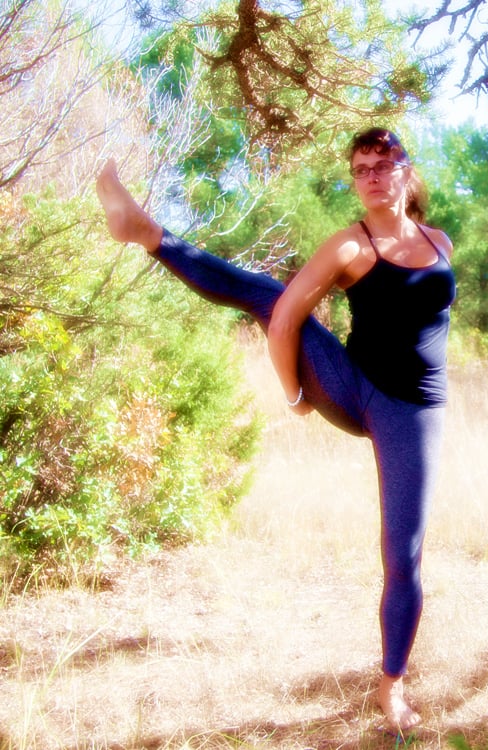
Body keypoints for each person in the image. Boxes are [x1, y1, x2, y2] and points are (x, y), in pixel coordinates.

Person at [96, 128, 456, 732]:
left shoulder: (439, 242)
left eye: (383, 163)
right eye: (360, 167)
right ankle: (150, 234)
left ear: (406, 172)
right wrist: (295, 394)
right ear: (354, 181)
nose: (371, 174)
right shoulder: (349, 246)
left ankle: (390, 685)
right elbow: (288, 318)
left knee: (404, 553)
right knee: (268, 295)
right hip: (351, 385)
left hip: (414, 411)